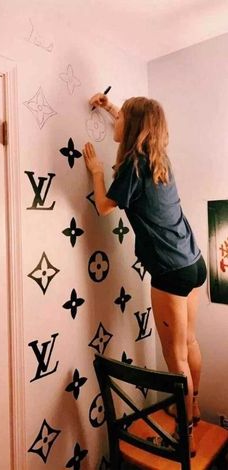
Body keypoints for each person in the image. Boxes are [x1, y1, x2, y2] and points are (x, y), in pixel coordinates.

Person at [83, 92, 207, 456]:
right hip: (193, 262)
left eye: (120, 119)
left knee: (176, 358)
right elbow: (133, 116)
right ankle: (194, 406)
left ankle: (185, 435)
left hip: (170, 271)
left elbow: (105, 207)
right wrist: (108, 108)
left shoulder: (132, 168)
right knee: (191, 344)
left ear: (133, 127)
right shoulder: (158, 156)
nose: (115, 123)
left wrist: (96, 173)